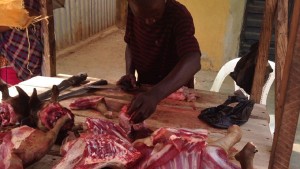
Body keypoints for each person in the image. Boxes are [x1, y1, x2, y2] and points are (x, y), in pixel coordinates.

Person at [118, 0, 201, 123]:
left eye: (155, 15)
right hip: (146, 92)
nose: (148, 21)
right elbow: (131, 42)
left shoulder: (179, 15)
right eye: (142, 17)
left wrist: (155, 94)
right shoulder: (133, 9)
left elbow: (193, 59)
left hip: (176, 93)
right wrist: (130, 72)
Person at [0, 0, 43, 86]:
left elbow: (38, 15)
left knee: (34, 87)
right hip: (11, 50)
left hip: (29, 46)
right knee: (14, 92)